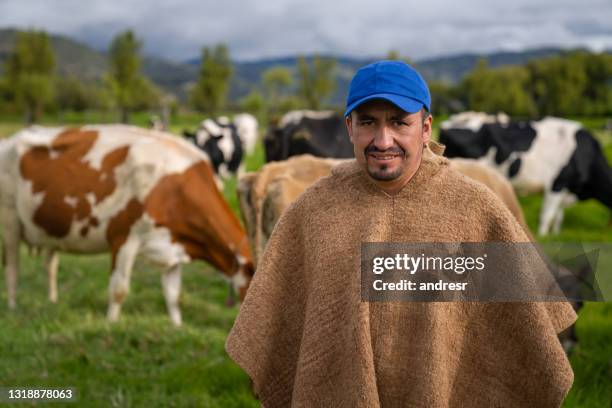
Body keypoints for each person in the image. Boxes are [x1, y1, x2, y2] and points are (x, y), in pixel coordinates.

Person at [226, 60, 576, 407]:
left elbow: (525, 325)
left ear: (425, 129)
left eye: (399, 122)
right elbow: (274, 320)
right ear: (349, 127)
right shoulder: (314, 209)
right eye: (368, 122)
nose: (383, 140)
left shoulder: (475, 208)